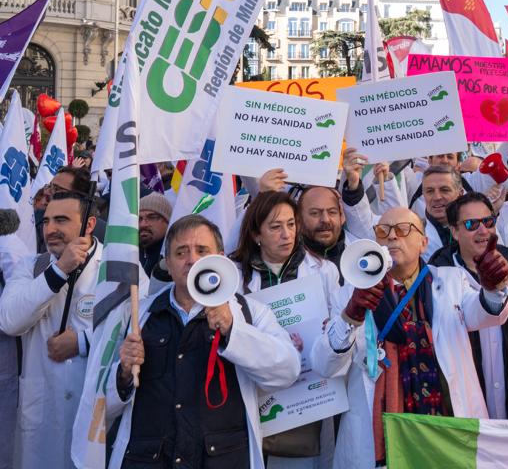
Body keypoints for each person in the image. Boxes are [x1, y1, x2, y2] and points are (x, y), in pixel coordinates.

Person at [319, 207, 508, 467]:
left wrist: (494, 288)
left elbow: (487, 315)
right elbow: (325, 365)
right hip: (382, 433)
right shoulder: (349, 294)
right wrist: (350, 317)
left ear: (423, 243)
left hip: (446, 425)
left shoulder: (450, 280)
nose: (391, 237)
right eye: (382, 231)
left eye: (402, 229)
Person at [110, 215, 300, 469]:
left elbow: (286, 371)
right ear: (167, 263)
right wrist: (122, 374)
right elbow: (98, 399)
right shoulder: (137, 315)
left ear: (220, 258)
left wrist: (233, 330)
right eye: (181, 252)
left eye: (202, 251)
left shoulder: (250, 312)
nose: (192, 260)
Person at [228, 192, 344, 467]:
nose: (286, 234)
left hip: (309, 396)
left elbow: (338, 323)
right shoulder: (235, 274)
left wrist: (331, 326)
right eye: (275, 227)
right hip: (256, 391)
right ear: (256, 233)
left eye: (291, 224)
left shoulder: (323, 270)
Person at [0, 191, 104, 468]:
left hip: (92, 413)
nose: (50, 229)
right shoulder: (32, 267)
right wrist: (57, 271)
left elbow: (132, 330)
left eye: (61, 220)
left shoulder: (115, 268)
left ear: (89, 225)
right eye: (46, 221)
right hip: (42, 416)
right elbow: (9, 320)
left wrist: (83, 342)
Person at [428, 192, 508, 420]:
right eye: (471, 224)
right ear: (454, 231)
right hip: (469, 409)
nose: (483, 230)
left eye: (488, 222)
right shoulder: (436, 277)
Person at [138, 192, 171, 277]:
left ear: (167, 222)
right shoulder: (129, 253)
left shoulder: (173, 258)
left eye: (151, 217)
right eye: (139, 219)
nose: (143, 224)